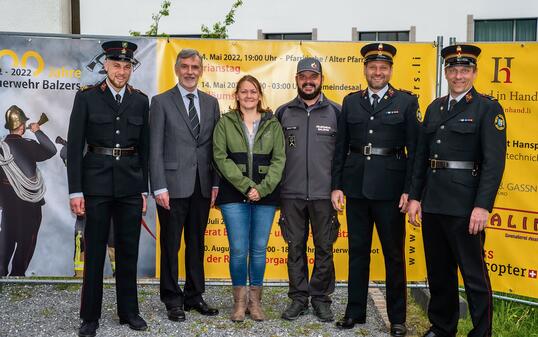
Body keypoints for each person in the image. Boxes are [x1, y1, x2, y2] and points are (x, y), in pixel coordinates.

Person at [407, 44, 506, 337]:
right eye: (453, 69)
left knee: (474, 275)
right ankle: (442, 327)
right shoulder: (435, 107)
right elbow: (422, 158)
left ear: (474, 72)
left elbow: (494, 163)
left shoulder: (487, 108)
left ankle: (481, 332)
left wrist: (483, 206)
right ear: (446, 72)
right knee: (440, 273)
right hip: (434, 201)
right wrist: (415, 196)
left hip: (466, 205)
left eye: (464, 69)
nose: (458, 75)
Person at [332, 43, 420, 336]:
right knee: (357, 251)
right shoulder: (352, 101)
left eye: (383, 67)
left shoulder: (406, 102)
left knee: (394, 255)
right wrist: (337, 186)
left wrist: (410, 190)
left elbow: (415, 151)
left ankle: (397, 318)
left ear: (390, 70)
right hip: (356, 189)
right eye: (373, 67)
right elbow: (340, 148)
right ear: (365, 70)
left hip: (391, 192)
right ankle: (354, 312)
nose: (377, 72)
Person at [67, 40, 150, 336]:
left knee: (128, 251)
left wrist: (144, 189)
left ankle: (129, 312)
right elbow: (75, 146)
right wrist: (75, 191)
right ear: (105, 65)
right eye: (116, 65)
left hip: (129, 184)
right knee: (94, 253)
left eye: (127, 67)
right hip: (96, 184)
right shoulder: (87, 98)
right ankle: (90, 316)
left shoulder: (141, 101)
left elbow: (145, 149)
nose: (121, 71)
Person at [149, 48, 220, 322]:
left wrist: (215, 183)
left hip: (202, 186)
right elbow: (155, 148)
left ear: (201, 70)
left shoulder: (211, 103)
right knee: (170, 245)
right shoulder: (161, 102)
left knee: (196, 243)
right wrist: (158, 187)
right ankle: (172, 299)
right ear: (177, 69)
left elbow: (215, 148)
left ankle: (194, 295)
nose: (190, 71)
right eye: (185, 66)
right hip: (171, 187)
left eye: (195, 67)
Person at [213, 75, 285, 322]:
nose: (248, 96)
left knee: (258, 251)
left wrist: (262, 189)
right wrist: (246, 186)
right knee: (238, 249)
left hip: (265, 196)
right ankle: (239, 303)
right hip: (234, 195)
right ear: (236, 95)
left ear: (259, 95)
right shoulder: (225, 122)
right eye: (243, 92)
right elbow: (220, 157)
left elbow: (279, 160)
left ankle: (255, 303)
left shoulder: (272, 123)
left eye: (253, 91)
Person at [275, 58, 341, 322]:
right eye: (303, 76)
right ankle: (299, 298)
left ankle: (321, 299)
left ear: (321, 79)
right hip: (291, 194)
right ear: (296, 80)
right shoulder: (283, 112)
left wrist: (338, 188)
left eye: (313, 76)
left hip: (325, 195)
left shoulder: (336, 112)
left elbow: (342, 157)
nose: (308, 81)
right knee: (294, 248)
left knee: (324, 247)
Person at [0, 105, 57, 276]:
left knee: (7, 235)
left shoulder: (2, 148)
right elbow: (51, 150)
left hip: (8, 202)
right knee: (27, 239)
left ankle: (1, 270)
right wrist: (37, 131)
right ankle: (18, 273)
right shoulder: (28, 145)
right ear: (22, 126)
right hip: (29, 203)